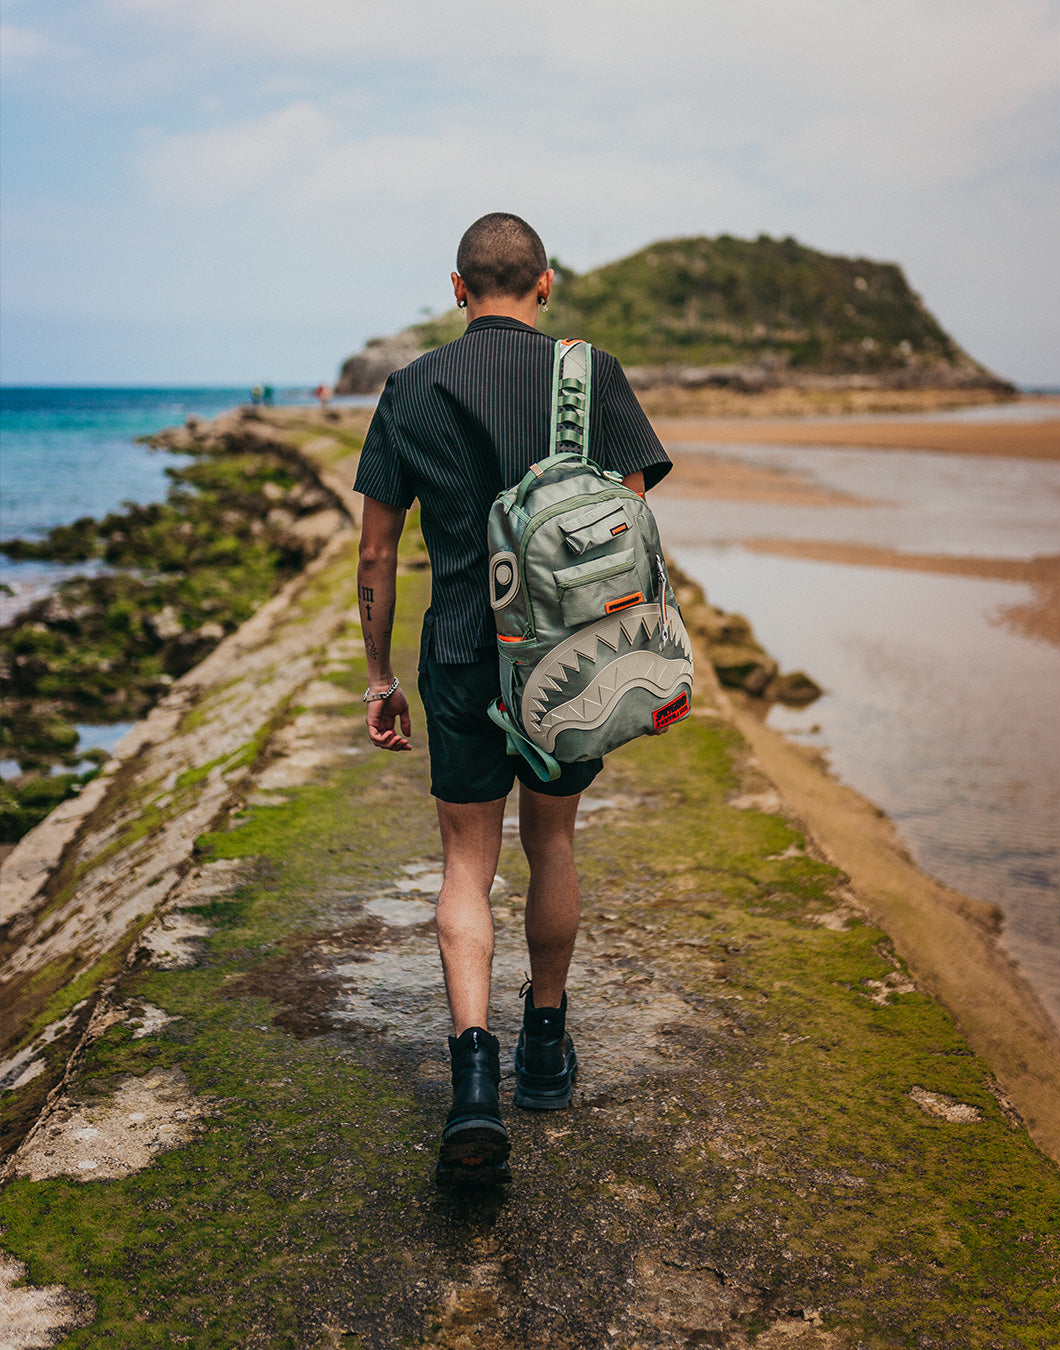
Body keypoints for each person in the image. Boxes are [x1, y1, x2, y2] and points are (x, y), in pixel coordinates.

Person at [353, 212, 671, 1183]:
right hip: (566, 658)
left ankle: (473, 1083)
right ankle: (544, 1046)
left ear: (457, 288)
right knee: (555, 841)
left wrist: (379, 674)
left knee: (464, 863)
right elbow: (624, 521)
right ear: (546, 283)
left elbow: (374, 553)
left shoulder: (410, 388)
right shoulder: (592, 373)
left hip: (457, 653)